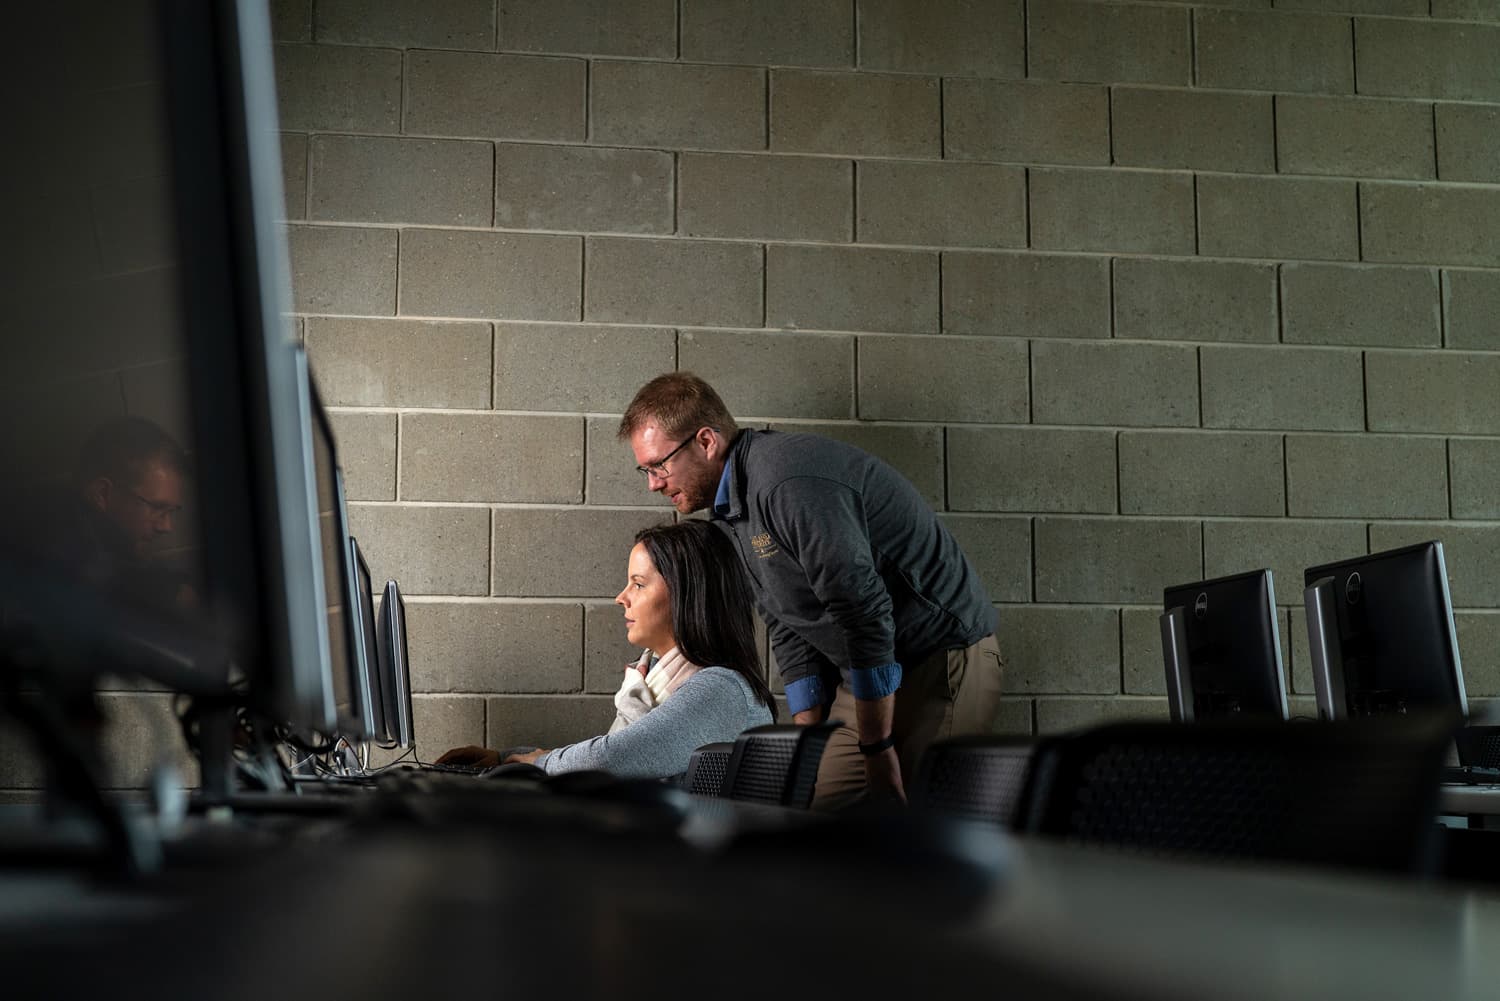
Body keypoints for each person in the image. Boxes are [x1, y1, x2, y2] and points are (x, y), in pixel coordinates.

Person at [618, 373, 1004, 810]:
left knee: (908, 822)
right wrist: (805, 741)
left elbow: (863, 611)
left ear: (706, 441)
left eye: (658, 465)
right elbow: (786, 623)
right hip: (865, 668)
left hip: (937, 658)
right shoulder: (729, 514)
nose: (653, 483)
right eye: (645, 470)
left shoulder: (786, 483)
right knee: (816, 807)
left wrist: (877, 751)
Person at [437, 520, 776, 780]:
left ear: (688, 596)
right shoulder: (662, 682)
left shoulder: (720, 689)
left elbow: (610, 759)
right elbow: (611, 754)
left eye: (638, 584)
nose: (621, 597)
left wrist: (526, 762)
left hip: (691, 867)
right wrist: (504, 758)